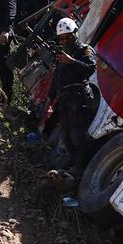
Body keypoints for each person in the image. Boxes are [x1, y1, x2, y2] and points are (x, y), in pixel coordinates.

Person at [50, 17, 96, 174]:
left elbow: (90, 68)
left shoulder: (84, 50)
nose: (65, 40)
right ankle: (72, 162)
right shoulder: (62, 54)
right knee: (66, 134)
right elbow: (57, 75)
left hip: (79, 98)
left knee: (78, 135)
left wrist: (72, 61)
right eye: (62, 38)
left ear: (75, 33)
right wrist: (51, 98)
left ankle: (81, 166)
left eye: (68, 37)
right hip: (64, 99)